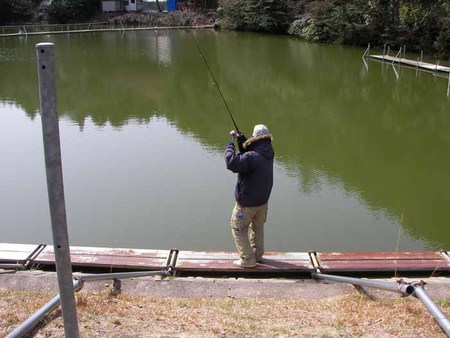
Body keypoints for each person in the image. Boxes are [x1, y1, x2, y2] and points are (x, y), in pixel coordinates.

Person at [225, 124, 274, 268]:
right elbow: (251, 154)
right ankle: (257, 255)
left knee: (238, 229)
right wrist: (241, 140)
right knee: (257, 227)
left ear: (255, 138)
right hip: (262, 202)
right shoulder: (269, 151)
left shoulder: (251, 157)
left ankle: (247, 260)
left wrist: (231, 144)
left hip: (246, 204)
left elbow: (232, 163)